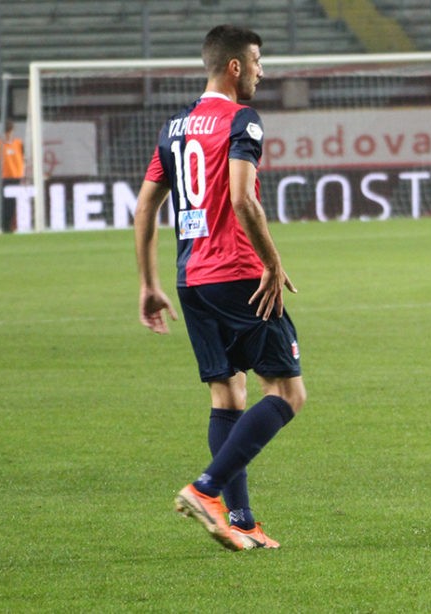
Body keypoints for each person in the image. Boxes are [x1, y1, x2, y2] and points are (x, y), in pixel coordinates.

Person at [134, 24, 306, 551]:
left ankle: (242, 520)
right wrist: (272, 262)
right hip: (238, 274)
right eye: (257, 62)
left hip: (192, 281)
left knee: (227, 394)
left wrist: (149, 283)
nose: (261, 72)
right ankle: (205, 489)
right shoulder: (241, 120)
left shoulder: (175, 127)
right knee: (288, 393)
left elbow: (145, 208)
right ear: (235, 66)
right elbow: (242, 198)